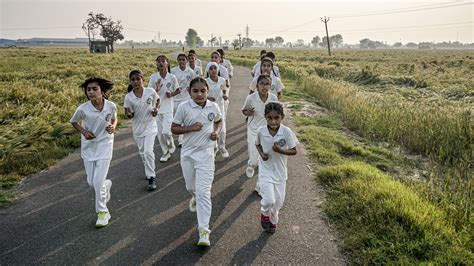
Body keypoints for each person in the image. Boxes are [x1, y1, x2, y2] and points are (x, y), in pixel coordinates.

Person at [171, 77, 222, 247]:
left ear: (208, 91)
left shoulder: (213, 107)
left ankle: (204, 231)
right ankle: (194, 197)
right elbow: (174, 128)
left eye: (203, 91)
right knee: (191, 188)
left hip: (207, 154)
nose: (199, 94)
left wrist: (216, 132)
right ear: (189, 92)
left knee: (204, 193)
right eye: (195, 91)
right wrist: (190, 128)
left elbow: (218, 121)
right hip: (188, 153)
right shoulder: (184, 107)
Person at [70, 76, 117, 228]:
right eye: (88, 90)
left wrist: (112, 126)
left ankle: (103, 212)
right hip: (89, 148)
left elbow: (114, 119)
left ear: (102, 92)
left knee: (97, 181)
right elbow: (73, 122)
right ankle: (106, 185)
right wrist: (84, 132)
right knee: (92, 182)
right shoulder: (83, 108)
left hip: (105, 145)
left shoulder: (111, 106)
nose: (91, 92)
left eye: (94, 89)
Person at [256, 102, 298, 233]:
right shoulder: (261, 131)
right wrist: (262, 154)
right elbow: (257, 144)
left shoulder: (286, 132)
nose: (273, 121)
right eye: (270, 118)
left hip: (280, 172)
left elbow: (294, 150)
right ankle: (264, 213)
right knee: (269, 199)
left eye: (276, 118)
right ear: (265, 117)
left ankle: (273, 220)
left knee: (278, 202)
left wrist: (280, 150)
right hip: (266, 170)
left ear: (282, 117)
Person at [124, 69, 160, 191]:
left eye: (137, 79)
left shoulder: (150, 91)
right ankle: (148, 170)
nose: (135, 81)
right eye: (132, 79)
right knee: (142, 153)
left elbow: (158, 100)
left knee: (148, 152)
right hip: (138, 129)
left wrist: (156, 109)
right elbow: (127, 114)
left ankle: (151, 178)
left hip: (151, 125)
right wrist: (129, 114)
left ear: (143, 80)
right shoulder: (129, 97)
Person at [241, 74, 278, 191]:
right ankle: (251, 164)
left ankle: (259, 186)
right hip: (253, 131)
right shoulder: (251, 98)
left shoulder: (273, 98)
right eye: (262, 83)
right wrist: (248, 112)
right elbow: (244, 110)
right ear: (257, 86)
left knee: (265, 159)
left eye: (267, 84)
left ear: (270, 86)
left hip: (267, 132)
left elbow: (277, 115)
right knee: (254, 160)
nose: (264, 86)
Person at [148, 55, 180, 162]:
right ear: (156, 64)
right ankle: (165, 152)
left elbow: (178, 90)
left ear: (167, 63)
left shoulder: (172, 77)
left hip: (168, 108)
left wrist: (171, 94)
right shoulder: (153, 77)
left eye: (163, 61)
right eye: (159, 61)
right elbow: (149, 94)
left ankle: (171, 145)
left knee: (166, 132)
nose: (161, 63)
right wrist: (156, 90)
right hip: (156, 109)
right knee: (160, 134)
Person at [171, 53, 196, 146]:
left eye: (183, 59)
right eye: (179, 60)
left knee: (185, 118)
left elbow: (194, 85)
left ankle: (182, 140)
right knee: (176, 119)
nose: (181, 61)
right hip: (175, 99)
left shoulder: (191, 72)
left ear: (187, 61)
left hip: (186, 98)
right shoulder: (173, 71)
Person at [205, 62, 229, 158]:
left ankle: (222, 147)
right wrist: (208, 98)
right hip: (209, 108)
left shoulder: (222, 80)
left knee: (222, 130)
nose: (213, 70)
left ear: (218, 69)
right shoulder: (205, 81)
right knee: (212, 129)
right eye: (211, 69)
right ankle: (214, 148)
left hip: (220, 106)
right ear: (208, 71)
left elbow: (225, 89)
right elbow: (203, 94)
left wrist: (225, 94)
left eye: (215, 68)